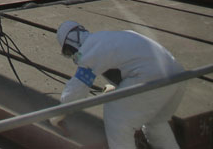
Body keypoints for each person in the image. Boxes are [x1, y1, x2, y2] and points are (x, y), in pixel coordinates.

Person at [54, 20, 186, 149]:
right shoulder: (109, 38)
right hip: (178, 75)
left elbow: (76, 90)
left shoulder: (88, 49)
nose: (72, 57)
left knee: (117, 119)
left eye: (68, 52)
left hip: (152, 78)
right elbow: (131, 64)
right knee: (156, 122)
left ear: (71, 43)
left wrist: (58, 115)